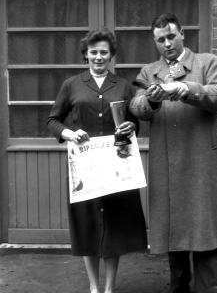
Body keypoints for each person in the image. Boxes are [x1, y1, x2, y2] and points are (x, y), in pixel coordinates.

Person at [130, 13, 217, 293]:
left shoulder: (207, 62)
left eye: (170, 36)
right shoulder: (148, 72)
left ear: (182, 35)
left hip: (201, 162)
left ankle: (209, 289)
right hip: (167, 165)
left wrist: (184, 88)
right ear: (155, 43)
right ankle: (179, 288)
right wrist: (151, 101)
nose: (166, 44)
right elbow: (137, 108)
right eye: (160, 40)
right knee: (173, 236)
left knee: (205, 234)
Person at [47, 29, 147, 293]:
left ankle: (110, 287)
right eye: (94, 52)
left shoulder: (124, 85)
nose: (99, 57)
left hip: (116, 166)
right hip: (85, 167)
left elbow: (135, 122)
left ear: (111, 55)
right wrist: (69, 133)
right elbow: (52, 120)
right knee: (87, 226)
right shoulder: (72, 84)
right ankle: (93, 287)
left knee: (113, 227)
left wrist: (131, 126)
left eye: (104, 52)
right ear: (86, 55)